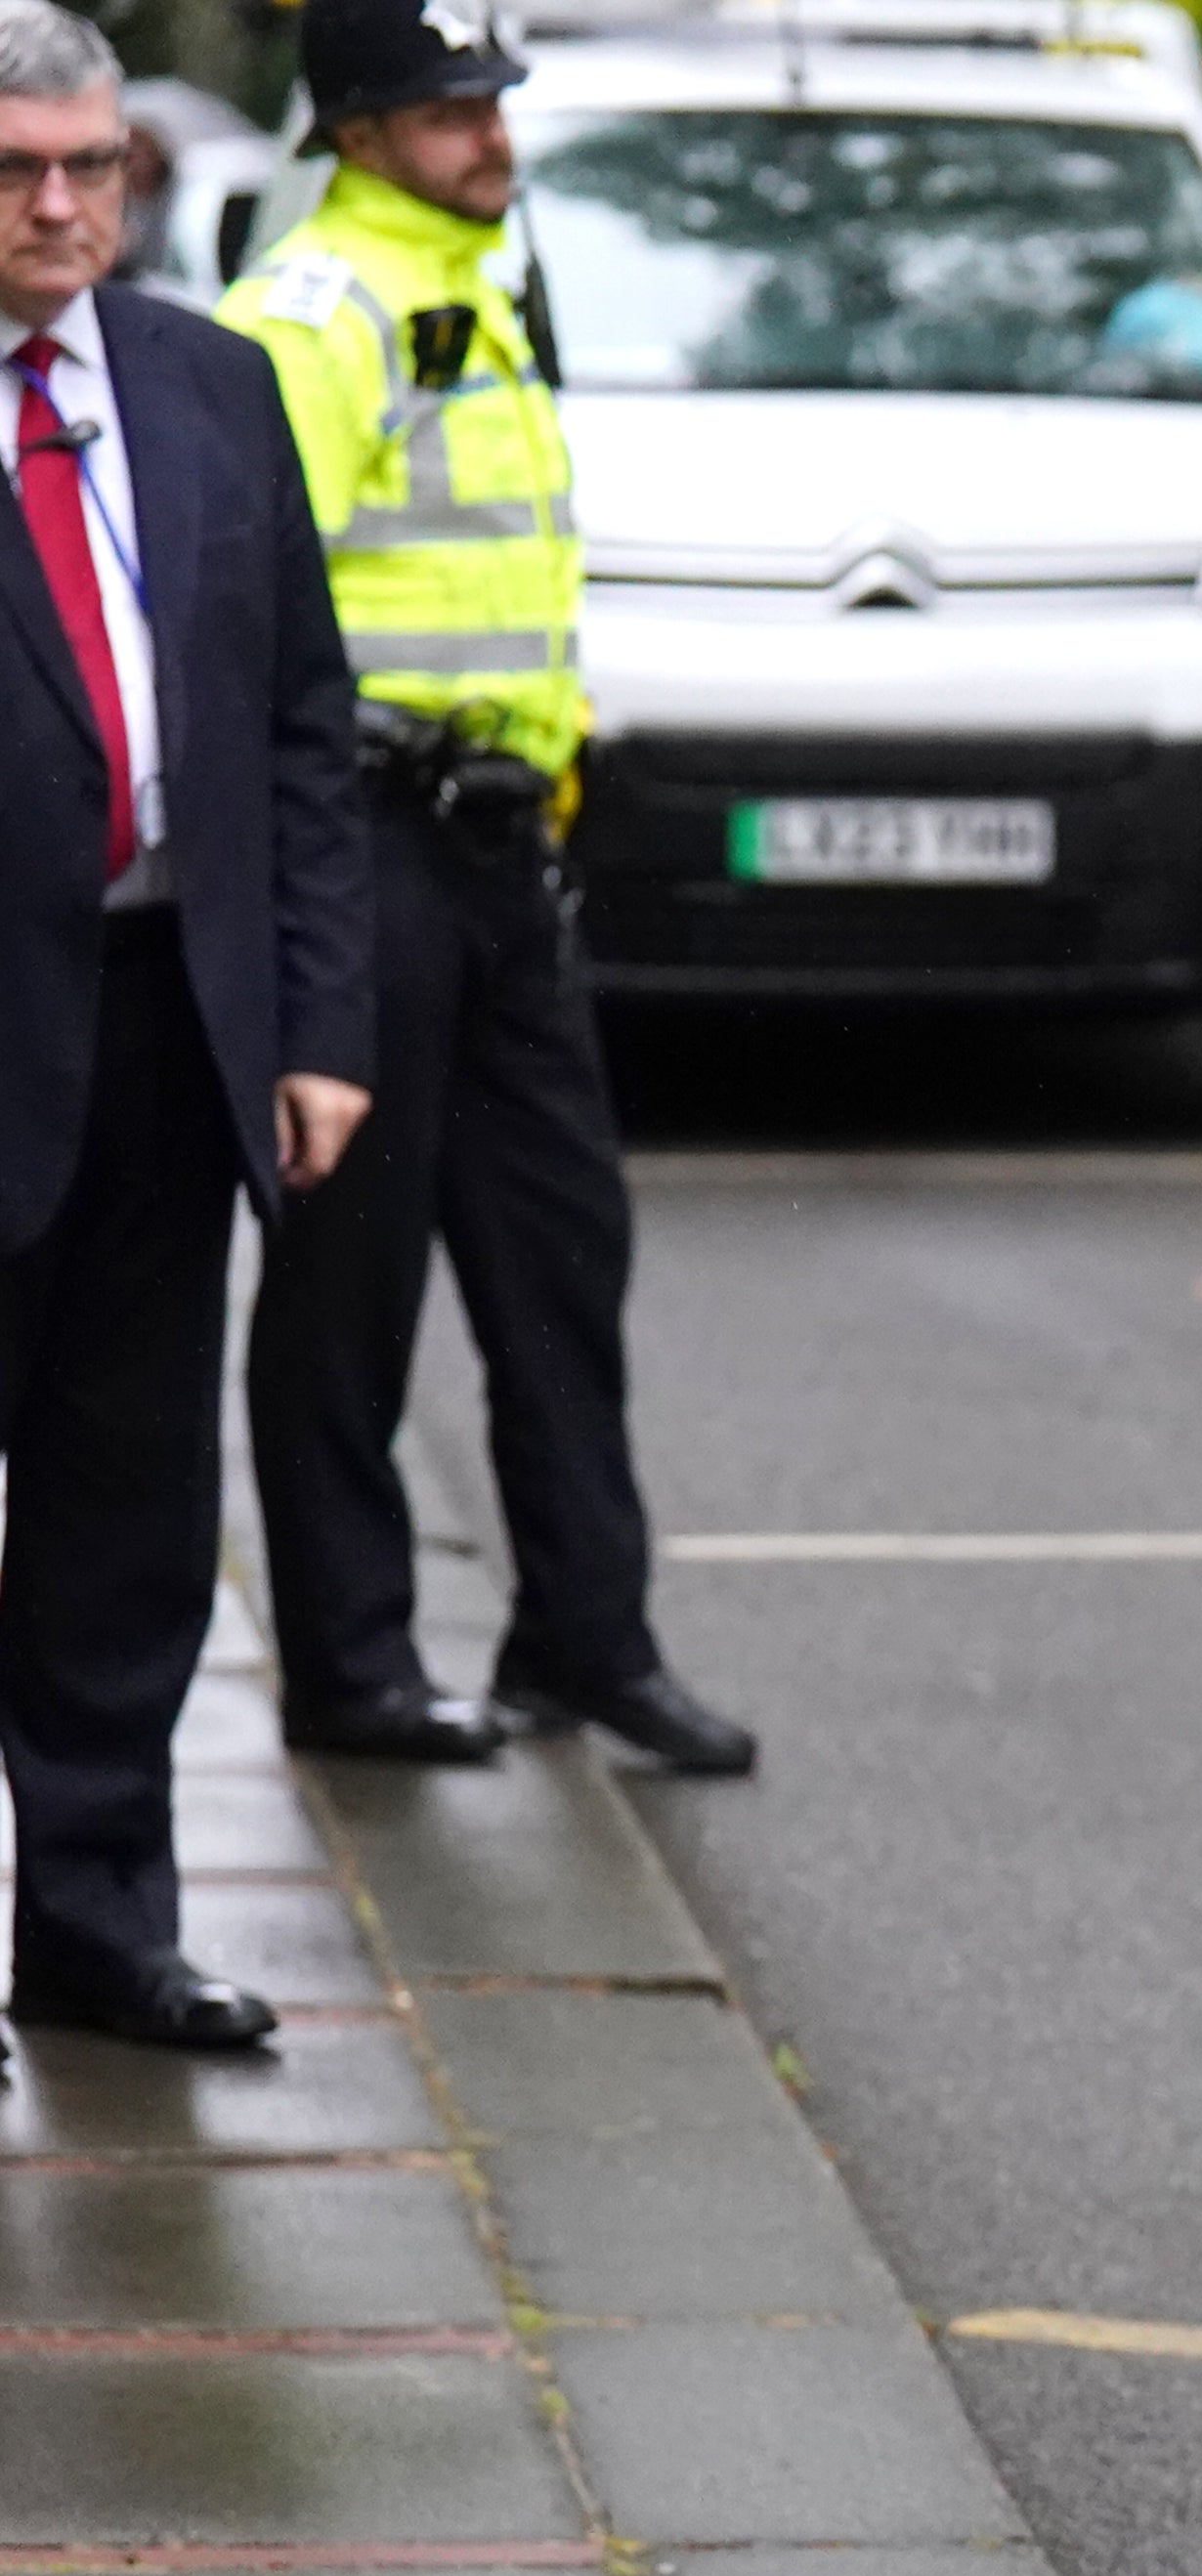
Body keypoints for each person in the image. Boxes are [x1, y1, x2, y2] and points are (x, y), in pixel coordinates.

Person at [225, 0, 754, 1779]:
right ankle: (352, 1666)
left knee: (560, 1250)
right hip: (364, 843)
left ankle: (586, 1636)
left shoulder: (477, 282)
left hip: (499, 844)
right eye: (452, 111)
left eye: (493, 103)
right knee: (348, 1284)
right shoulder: (319, 315)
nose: (491, 138)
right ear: (358, 131)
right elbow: (252, 613)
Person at [0, 0, 370, 2053]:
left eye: (92, 169)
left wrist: (318, 1019)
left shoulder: (210, 386)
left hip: (174, 1032)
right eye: (19, 174)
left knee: (129, 1505)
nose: (64, 209)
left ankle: (97, 1924)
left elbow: (302, 727)